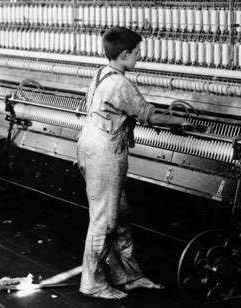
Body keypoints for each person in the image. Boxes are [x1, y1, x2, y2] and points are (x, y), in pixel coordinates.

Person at [76, 27, 189, 300]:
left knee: (120, 215)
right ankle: (92, 283)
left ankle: (126, 275)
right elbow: (149, 114)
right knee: (105, 220)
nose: (140, 57)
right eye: (137, 53)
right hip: (105, 152)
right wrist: (180, 121)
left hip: (89, 144)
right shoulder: (119, 83)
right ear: (125, 55)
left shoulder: (102, 73)